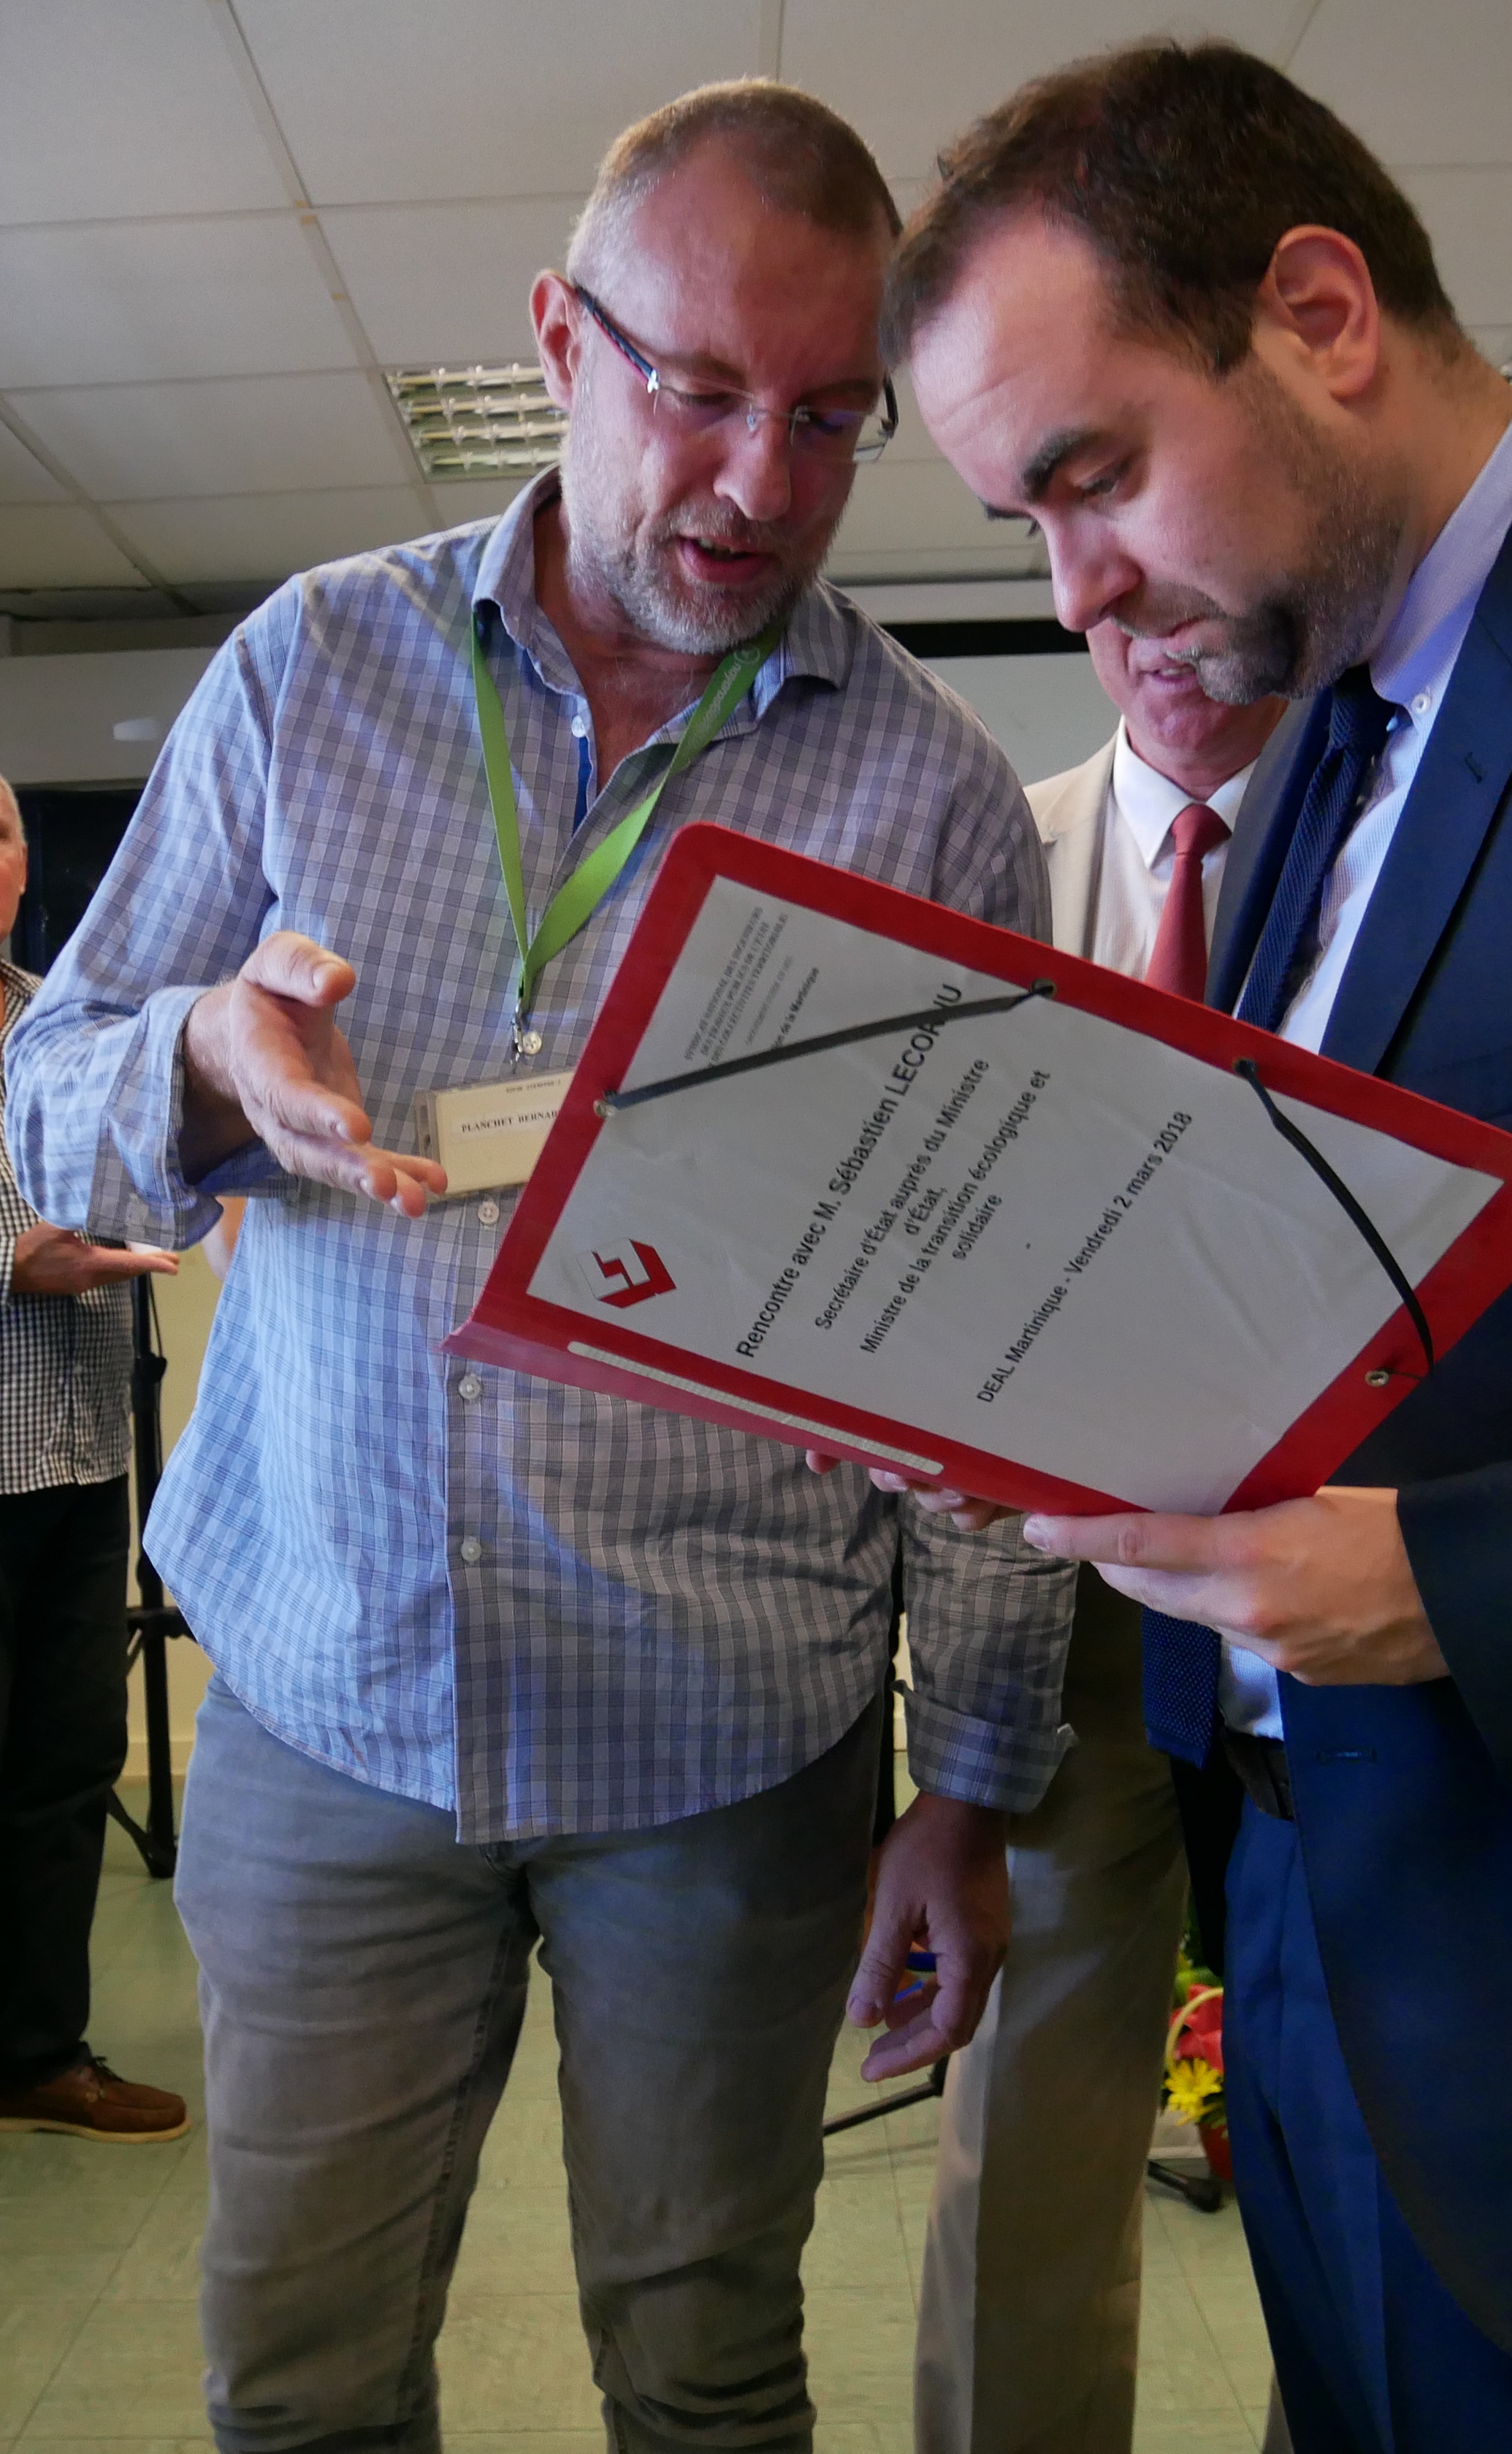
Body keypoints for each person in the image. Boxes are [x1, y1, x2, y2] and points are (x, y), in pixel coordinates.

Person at [6, 83, 1074, 2454]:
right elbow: (41, 1092)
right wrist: (201, 1056)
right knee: (300, 2381)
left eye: (832, 418)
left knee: (707, 2371)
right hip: (322, 1693)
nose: (761, 482)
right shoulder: (310, 668)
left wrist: (976, 1780)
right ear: (560, 343)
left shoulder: (928, 800)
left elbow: (971, 1354)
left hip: (725, 1736)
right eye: (700, 389)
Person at [872, 37, 1512, 2453]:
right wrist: (1049, 1402)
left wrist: (1467, 1579)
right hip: (1308, 1971)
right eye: (1022, 521)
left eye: (1093, 477)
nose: (1075, 590)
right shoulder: (1330, 734)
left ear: (1317, 313)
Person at [915, 629, 1283, 2454]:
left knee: (1373, 2140)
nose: (1146, 609)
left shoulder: (1420, 844)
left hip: (1353, 1588)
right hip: (1063, 1620)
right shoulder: (987, 871)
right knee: (1033, 2136)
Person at [0, 774, 185, 2144]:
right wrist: (15, 1257)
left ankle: (37, 2054)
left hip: (72, 1451)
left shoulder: (56, 1022)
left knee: (65, 1761)